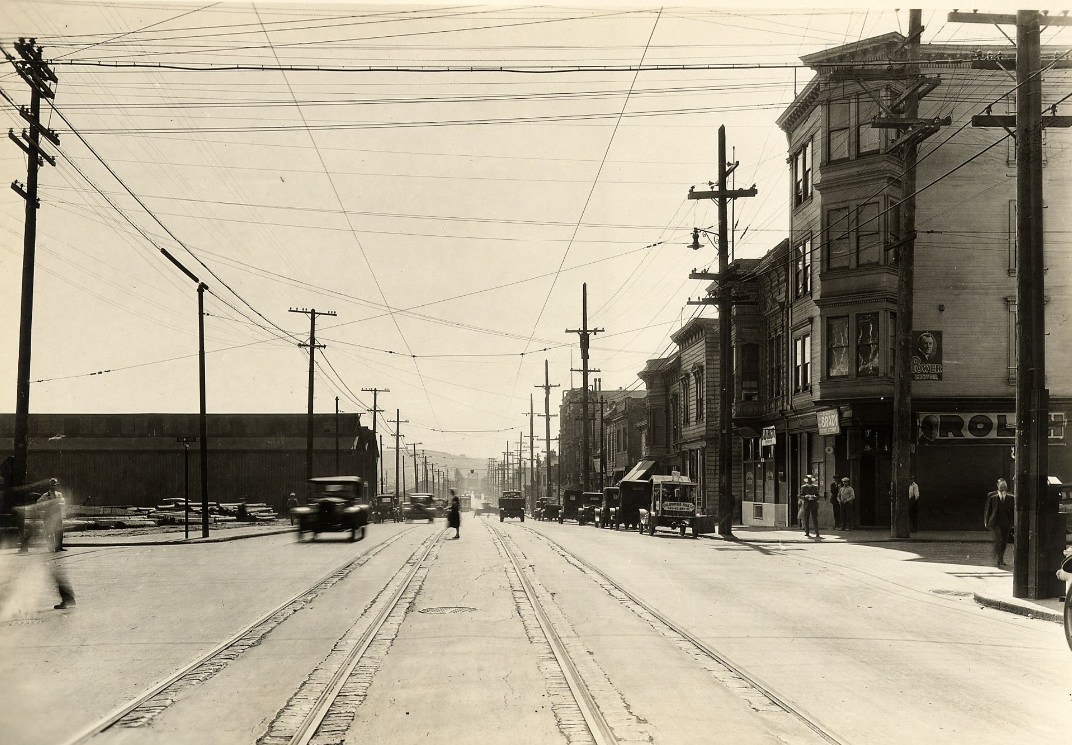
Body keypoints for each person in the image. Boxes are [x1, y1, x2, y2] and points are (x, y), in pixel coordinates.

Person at [983, 477, 1015, 568]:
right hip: (996, 522)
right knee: (999, 539)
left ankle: (1000, 557)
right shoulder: (992, 496)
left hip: (1006, 522)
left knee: (1004, 541)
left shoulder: (1011, 497)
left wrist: (1013, 523)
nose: (1003, 488)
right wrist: (986, 521)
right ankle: (998, 558)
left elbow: (1013, 511)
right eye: (1001, 486)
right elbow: (987, 510)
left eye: (1004, 486)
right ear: (997, 486)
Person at [38, 478, 66, 552]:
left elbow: (63, 502)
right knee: (49, 531)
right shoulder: (46, 495)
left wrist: (59, 505)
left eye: (55, 485)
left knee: (59, 531)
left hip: (57, 515)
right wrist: (48, 504)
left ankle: (59, 547)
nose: (54, 487)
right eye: (52, 485)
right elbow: (39, 503)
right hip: (49, 515)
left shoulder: (59, 494)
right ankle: (51, 547)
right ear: (50, 486)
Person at [800, 474, 821, 538]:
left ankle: (817, 532)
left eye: (810, 480)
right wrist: (805, 497)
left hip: (813, 504)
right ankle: (807, 532)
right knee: (806, 518)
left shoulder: (815, 487)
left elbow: (818, 495)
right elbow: (800, 495)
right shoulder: (803, 487)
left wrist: (814, 497)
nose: (809, 481)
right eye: (808, 480)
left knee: (815, 519)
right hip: (806, 504)